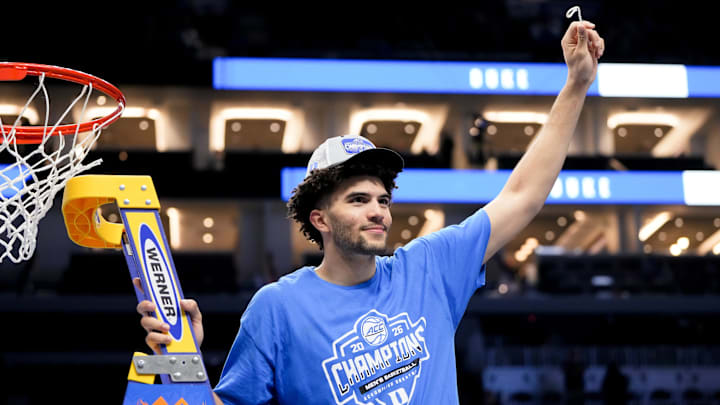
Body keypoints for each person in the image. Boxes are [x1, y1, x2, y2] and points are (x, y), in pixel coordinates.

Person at [136, 20, 604, 405]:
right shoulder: (276, 307)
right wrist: (182, 359)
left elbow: (522, 196)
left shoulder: (429, 268)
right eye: (358, 200)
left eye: (382, 199)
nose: (378, 211)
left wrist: (576, 86)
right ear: (320, 219)